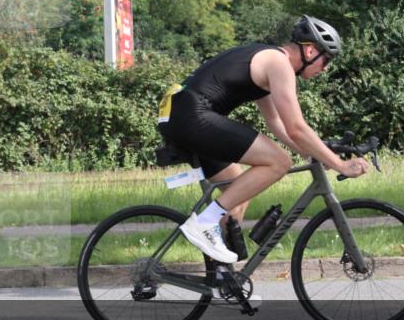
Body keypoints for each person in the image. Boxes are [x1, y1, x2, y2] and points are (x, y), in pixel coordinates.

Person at [156, 15, 371, 264]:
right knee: (279, 162)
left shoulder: (268, 58)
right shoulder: (279, 64)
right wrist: (340, 164)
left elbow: (276, 123)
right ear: (311, 50)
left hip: (180, 114)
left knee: (239, 192)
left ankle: (224, 279)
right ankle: (204, 222)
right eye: (326, 61)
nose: (325, 69)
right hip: (191, 115)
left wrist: (310, 153)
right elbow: (297, 127)